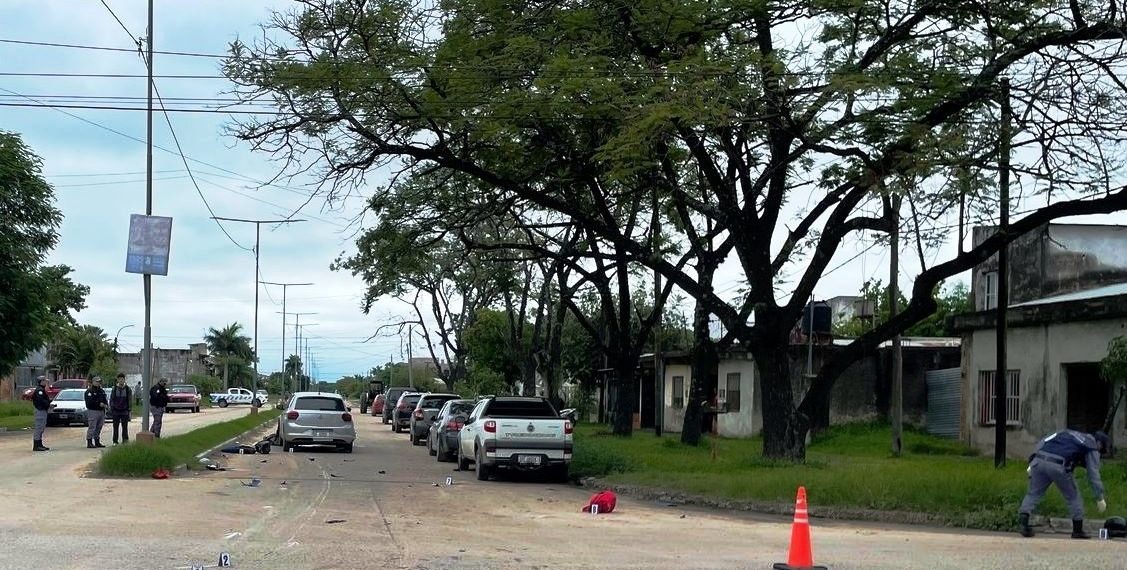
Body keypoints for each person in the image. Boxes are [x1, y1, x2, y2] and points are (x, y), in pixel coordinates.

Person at [1018, 429, 1110, 539]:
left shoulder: (1064, 433)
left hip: (1039, 461)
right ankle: (1077, 530)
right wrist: (1099, 497)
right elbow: (1093, 473)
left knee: (1033, 494)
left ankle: (1023, 524)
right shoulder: (1091, 446)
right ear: (1099, 444)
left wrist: (1032, 461)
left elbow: (1044, 441)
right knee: (1073, 497)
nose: (1099, 454)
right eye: (1101, 451)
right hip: (1059, 466)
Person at [83, 377, 108, 448]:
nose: (98, 383)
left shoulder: (101, 391)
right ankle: (89, 441)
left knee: (99, 426)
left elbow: (105, 399)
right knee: (92, 426)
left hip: (101, 411)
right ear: (93, 382)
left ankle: (97, 441)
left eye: (99, 382)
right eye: (96, 382)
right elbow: (89, 403)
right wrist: (98, 404)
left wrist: (106, 405)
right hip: (93, 411)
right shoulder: (89, 391)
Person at [108, 373, 132, 445]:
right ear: (117, 380)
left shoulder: (128, 389)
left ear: (124, 380)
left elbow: (130, 400)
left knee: (125, 427)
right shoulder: (114, 389)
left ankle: (125, 440)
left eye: (122, 379)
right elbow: (111, 399)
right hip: (116, 411)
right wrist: (112, 408)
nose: (121, 380)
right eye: (120, 379)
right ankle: (115, 441)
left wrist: (129, 410)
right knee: (115, 427)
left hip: (124, 411)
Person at [31, 376, 51, 452]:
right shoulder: (39, 390)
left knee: (41, 428)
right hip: (40, 410)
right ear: (41, 381)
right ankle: (36, 445)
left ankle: (40, 444)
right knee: (39, 428)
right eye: (45, 381)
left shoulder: (41, 390)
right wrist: (48, 404)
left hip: (42, 410)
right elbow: (41, 401)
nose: (46, 382)